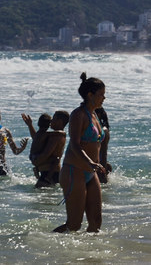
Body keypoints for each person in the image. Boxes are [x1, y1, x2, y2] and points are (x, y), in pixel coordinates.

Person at [54, 73, 108, 233]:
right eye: (101, 95)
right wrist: (90, 162)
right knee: (74, 225)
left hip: (91, 172)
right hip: (74, 171)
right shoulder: (78, 115)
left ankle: (90, 256)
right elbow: (75, 145)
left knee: (96, 222)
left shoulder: (94, 115)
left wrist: (99, 164)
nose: (104, 98)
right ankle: (44, 245)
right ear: (90, 95)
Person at [30, 110, 68, 188]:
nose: (51, 121)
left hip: (50, 174)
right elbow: (38, 140)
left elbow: (46, 154)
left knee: (39, 197)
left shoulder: (57, 136)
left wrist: (36, 163)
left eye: (53, 119)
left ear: (59, 121)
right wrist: (30, 125)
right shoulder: (54, 135)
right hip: (49, 173)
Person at [94, 106, 113, 184]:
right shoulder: (95, 129)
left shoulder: (103, 131)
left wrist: (102, 172)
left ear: (99, 114)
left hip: (100, 165)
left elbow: (103, 152)